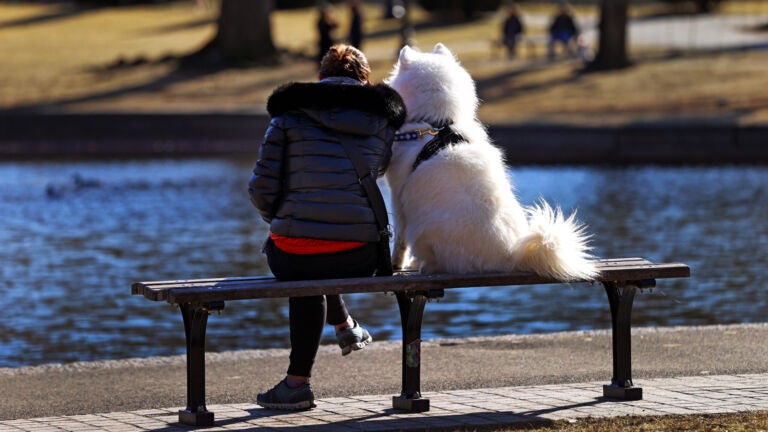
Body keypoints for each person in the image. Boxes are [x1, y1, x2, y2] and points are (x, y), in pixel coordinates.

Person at [248, 44, 406, 411]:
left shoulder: (286, 118)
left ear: (321, 78)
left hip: (292, 253)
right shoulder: (381, 123)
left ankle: (298, 384)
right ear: (365, 81)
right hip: (359, 253)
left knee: (305, 258)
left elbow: (261, 188)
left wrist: (286, 220)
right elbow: (378, 171)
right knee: (323, 249)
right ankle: (343, 328)